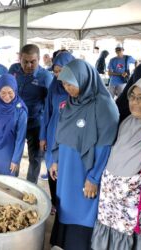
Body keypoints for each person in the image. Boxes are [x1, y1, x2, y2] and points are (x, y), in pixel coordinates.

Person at [92, 75, 141, 250]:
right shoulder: (128, 122)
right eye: (132, 96)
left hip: (136, 222)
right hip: (113, 214)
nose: (134, 102)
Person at [50, 59, 119, 250]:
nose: (66, 88)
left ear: (84, 79)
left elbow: (105, 147)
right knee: (65, 206)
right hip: (66, 167)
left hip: (85, 169)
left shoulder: (105, 107)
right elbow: (60, 133)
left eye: (70, 84)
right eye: (63, 84)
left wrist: (93, 177)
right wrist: (55, 160)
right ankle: (63, 242)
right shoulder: (70, 103)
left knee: (83, 207)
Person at [9, 44, 53, 184]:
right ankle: (11, 184)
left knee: (35, 158)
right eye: (25, 61)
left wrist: (45, 133)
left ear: (39, 59)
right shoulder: (13, 70)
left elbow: (49, 106)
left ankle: (30, 187)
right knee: (13, 154)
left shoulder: (45, 77)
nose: (28, 65)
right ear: (19, 59)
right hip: (14, 122)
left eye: (32, 61)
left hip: (35, 123)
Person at [39, 51, 75, 216]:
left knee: (67, 168)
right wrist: (43, 136)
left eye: (62, 71)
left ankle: (68, 205)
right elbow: (47, 111)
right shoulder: (54, 85)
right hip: (53, 131)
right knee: (52, 165)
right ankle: (55, 202)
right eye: (56, 71)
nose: (59, 75)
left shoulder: (77, 87)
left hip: (71, 135)